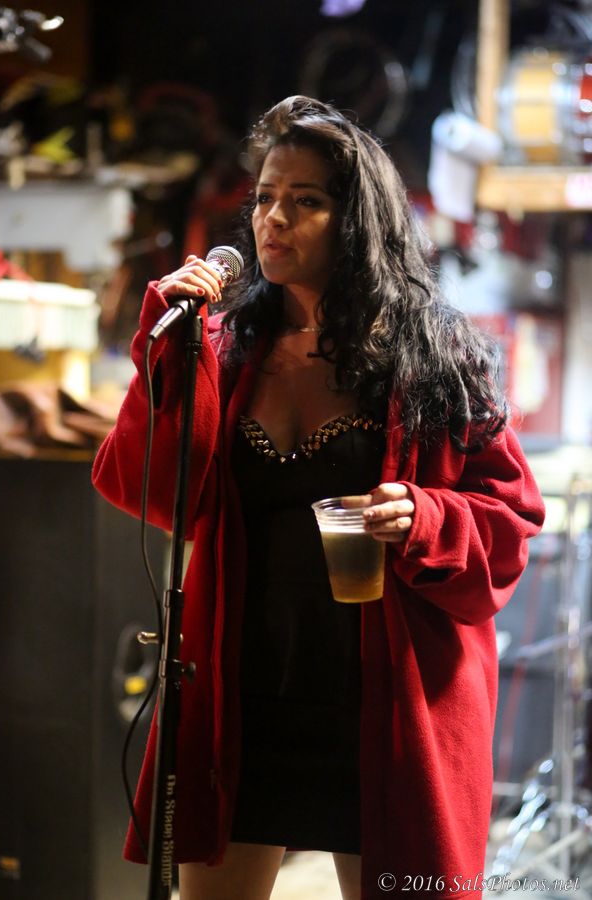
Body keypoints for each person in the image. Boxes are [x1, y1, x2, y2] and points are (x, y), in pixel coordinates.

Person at [92, 95, 545, 900]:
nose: (274, 219)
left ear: (356, 221)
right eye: (266, 197)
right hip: (246, 697)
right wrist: (168, 358)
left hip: (384, 702)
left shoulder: (436, 358)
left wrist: (427, 517)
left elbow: (510, 520)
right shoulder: (226, 350)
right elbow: (151, 489)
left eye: (304, 201)